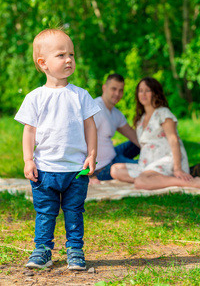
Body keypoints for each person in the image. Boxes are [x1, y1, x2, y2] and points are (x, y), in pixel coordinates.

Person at [14, 28, 100, 270]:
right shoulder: (35, 97)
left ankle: (75, 249)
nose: (69, 59)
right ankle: (42, 250)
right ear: (43, 63)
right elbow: (29, 131)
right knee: (45, 213)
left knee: (74, 212)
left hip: (75, 170)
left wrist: (92, 155)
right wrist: (28, 159)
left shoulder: (81, 96)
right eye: (61, 55)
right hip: (45, 169)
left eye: (71, 54)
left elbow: (90, 128)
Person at [110, 77, 200, 189]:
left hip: (167, 160)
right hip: (147, 164)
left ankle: (186, 182)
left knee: (140, 182)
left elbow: (173, 140)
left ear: (155, 93)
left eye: (147, 90)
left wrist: (177, 169)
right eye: (140, 90)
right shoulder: (141, 119)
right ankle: (155, 180)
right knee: (115, 169)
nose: (143, 94)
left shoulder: (163, 113)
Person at [92, 73, 140, 182]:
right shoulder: (96, 109)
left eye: (121, 90)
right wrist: (89, 174)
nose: (117, 94)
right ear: (104, 88)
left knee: (142, 141)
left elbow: (134, 136)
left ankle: (163, 160)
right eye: (113, 89)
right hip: (103, 167)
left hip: (114, 154)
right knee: (146, 167)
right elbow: (81, 140)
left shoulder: (116, 113)